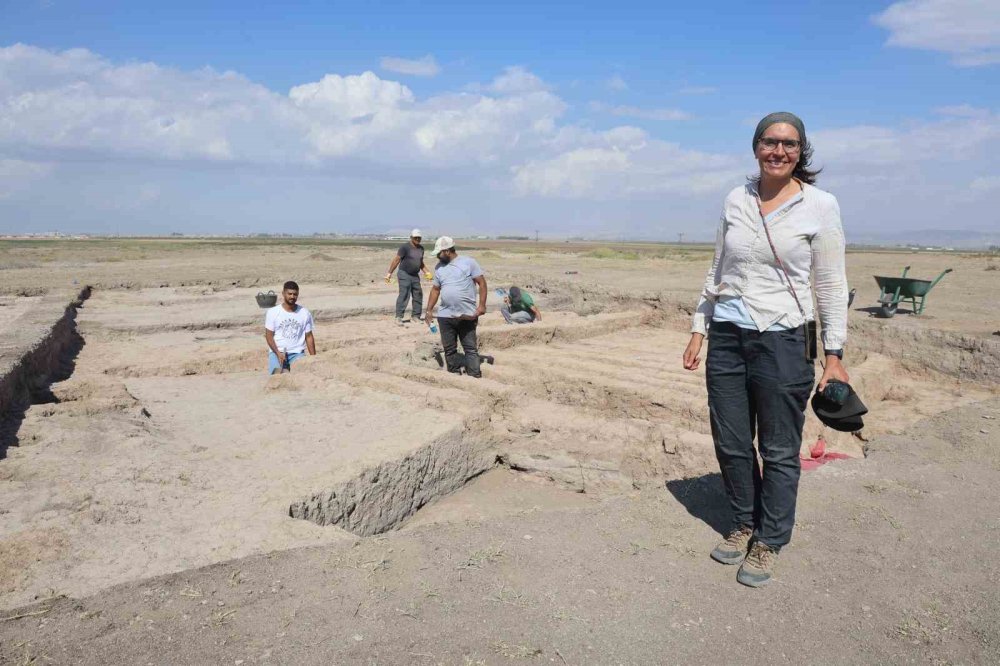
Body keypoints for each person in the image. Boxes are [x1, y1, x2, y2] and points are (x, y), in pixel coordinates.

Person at [681, 112, 849, 588]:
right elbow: (717, 266)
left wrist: (833, 353)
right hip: (729, 335)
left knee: (777, 448)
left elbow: (831, 284)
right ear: (755, 147)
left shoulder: (820, 205)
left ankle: (770, 539)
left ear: (801, 151)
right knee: (731, 440)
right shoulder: (737, 198)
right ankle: (742, 522)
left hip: (783, 338)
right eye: (770, 142)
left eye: (789, 144)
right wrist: (700, 327)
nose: (779, 151)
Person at [423, 236, 488, 378]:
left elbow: (482, 283)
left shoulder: (468, 263)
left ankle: (474, 376)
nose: (437, 257)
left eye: (439, 253)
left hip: (466, 315)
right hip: (445, 315)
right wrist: (428, 310)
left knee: (470, 349)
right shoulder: (439, 267)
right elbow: (435, 290)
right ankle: (454, 376)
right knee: (449, 350)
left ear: (447, 251)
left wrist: (481, 306)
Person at [264, 281, 316, 375]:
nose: (292, 296)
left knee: (303, 374)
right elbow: (269, 336)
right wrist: (278, 353)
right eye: (290, 294)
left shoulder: (305, 313)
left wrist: (313, 359)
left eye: (295, 294)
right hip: (277, 352)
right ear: (283, 294)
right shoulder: (272, 312)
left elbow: (309, 337)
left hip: (297, 353)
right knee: (278, 375)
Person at [385, 228, 431, 325]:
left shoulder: (421, 249)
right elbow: (396, 260)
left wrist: (427, 272)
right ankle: (398, 317)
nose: (417, 239)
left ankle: (416, 316)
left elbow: (420, 263)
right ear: (411, 237)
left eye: (419, 238)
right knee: (404, 294)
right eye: (415, 238)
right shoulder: (405, 247)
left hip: (415, 275)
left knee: (418, 294)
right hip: (404, 273)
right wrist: (389, 273)